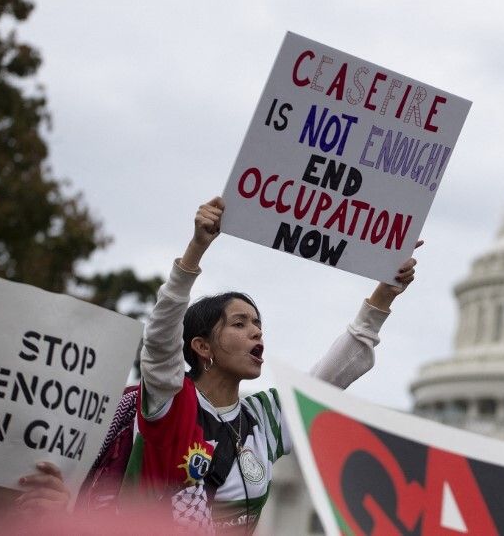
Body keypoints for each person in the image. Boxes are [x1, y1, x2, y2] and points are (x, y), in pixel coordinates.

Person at [127, 197, 419, 532]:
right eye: (239, 324)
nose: (255, 331)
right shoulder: (171, 400)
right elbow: (160, 339)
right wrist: (196, 248)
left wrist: (384, 295)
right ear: (201, 346)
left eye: (257, 323)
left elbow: (331, 376)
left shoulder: (264, 418)